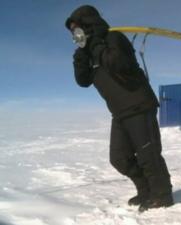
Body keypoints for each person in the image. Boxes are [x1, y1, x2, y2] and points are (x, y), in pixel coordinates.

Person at [65, 5, 173, 212]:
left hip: (139, 104)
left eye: (77, 27)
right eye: (72, 31)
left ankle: (162, 195)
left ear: (88, 23)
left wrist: (96, 43)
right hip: (119, 111)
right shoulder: (88, 52)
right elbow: (83, 81)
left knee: (148, 155)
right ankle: (145, 190)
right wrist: (80, 57)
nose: (75, 33)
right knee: (119, 158)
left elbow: (119, 64)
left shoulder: (113, 38)